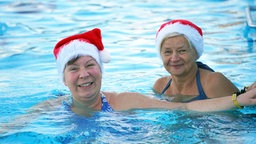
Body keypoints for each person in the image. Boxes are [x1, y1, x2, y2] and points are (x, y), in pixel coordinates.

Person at [1, 28, 256, 135]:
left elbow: (185, 108)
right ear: (64, 79)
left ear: (100, 71)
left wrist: (238, 100)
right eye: (74, 68)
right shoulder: (50, 107)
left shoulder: (124, 100)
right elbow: (10, 127)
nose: (84, 74)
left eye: (91, 65)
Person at [153, 19, 255, 102]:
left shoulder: (213, 83)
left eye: (182, 51)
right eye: (168, 52)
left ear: (195, 53)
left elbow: (242, 116)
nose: (174, 58)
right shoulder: (160, 86)